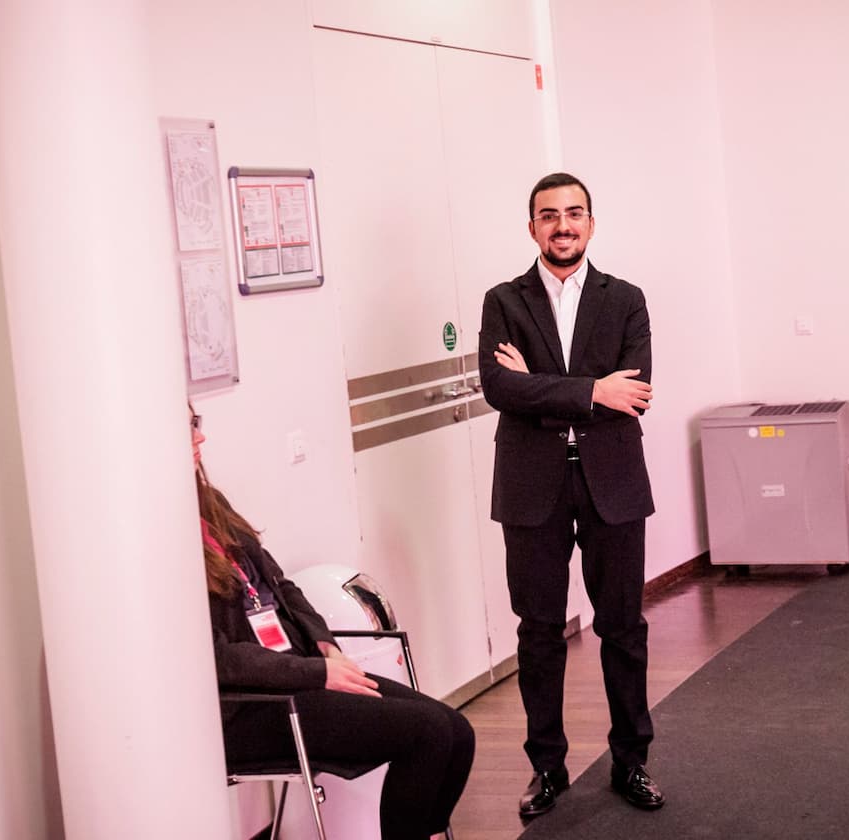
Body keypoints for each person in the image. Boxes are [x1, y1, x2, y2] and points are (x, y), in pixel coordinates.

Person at [193, 407, 473, 840]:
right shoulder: (160, 536)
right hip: (258, 706)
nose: (200, 438)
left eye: (197, 423)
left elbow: (282, 586)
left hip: (302, 673)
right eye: (188, 427)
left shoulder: (213, 505)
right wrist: (317, 672)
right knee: (427, 734)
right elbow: (219, 658)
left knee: (457, 732)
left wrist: (323, 644)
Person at [477, 172, 664, 819]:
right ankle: (547, 770)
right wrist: (589, 391)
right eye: (549, 215)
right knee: (538, 631)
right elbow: (499, 390)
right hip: (533, 488)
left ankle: (631, 762)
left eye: (574, 213)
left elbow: (633, 393)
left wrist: (545, 386)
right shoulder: (503, 300)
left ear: (591, 222)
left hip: (612, 482)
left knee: (622, 627)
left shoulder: (626, 299)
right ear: (532, 227)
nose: (563, 224)